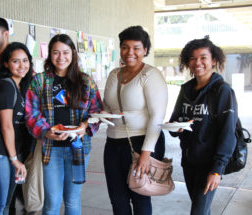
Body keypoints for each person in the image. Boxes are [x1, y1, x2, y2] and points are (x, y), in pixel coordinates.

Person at [25, 34, 103, 215]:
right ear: (49, 54)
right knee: (52, 201)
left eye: (66, 52)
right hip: (52, 149)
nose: (61, 57)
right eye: (56, 52)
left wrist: (86, 126)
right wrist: (45, 131)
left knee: (72, 200)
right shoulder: (40, 81)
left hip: (79, 148)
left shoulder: (86, 82)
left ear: (73, 54)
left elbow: (97, 111)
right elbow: (31, 112)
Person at [102, 26, 168, 215]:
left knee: (140, 194)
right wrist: (103, 113)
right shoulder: (114, 74)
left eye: (136, 47)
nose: (130, 52)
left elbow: (157, 116)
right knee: (117, 198)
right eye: (125, 47)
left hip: (141, 143)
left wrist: (146, 154)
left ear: (145, 50)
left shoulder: (151, 75)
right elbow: (108, 105)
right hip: (113, 143)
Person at [169, 36, 238, 215]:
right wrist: (175, 127)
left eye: (203, 57)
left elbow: (228, 132)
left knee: (198, 212)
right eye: (192, 58)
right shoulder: (185, 90)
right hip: (189, 161)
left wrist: (217, 169)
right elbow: (175, 122)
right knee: (201, 210)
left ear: (213, 60)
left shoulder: (222, 91)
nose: (197, 62)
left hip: (209, 164)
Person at [0, 42, 33, 215]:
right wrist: (15, 159)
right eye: (16, 61)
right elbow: (7, 126)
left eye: (25, 60)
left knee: (6, 203)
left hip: (10, 154)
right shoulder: (6, 86)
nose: (22, 65)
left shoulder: (21, 86)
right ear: (6, 64)